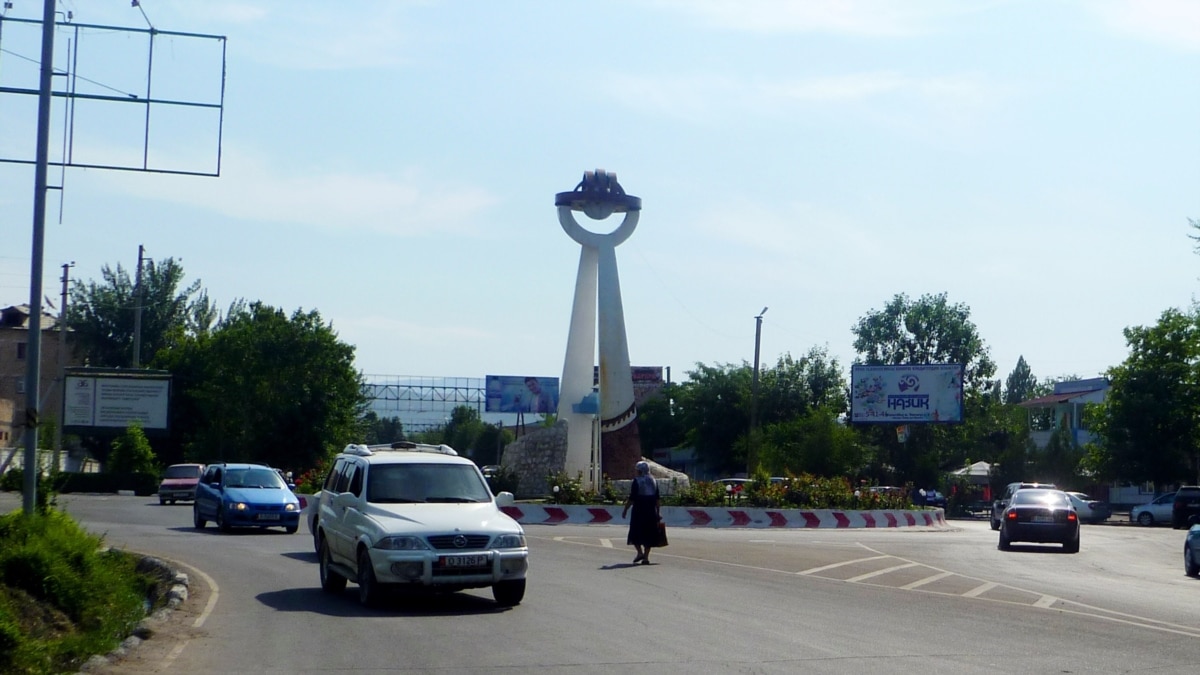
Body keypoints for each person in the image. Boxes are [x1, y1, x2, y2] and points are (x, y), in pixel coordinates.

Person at [622, 460, 661, 565]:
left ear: (640, 471)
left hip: (639, 510)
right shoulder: (654, 481)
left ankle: (640, 552)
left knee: (635, 532)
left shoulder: (637, 481)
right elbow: (657, 499)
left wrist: (625, 509)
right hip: (650, 511)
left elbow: (632, 498)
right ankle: (646, 557)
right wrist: (658, 512)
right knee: (649, 533)